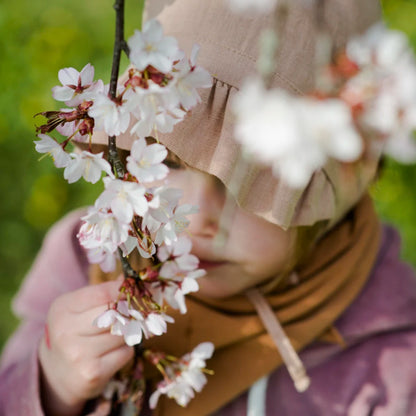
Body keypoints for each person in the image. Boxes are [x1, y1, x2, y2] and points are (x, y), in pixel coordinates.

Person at [1, 0, 416, 415]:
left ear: (325, 199)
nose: (197, 217)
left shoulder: (389, 361)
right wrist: (51, 385)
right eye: (168, 161)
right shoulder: (83, 261)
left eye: (247, 180)